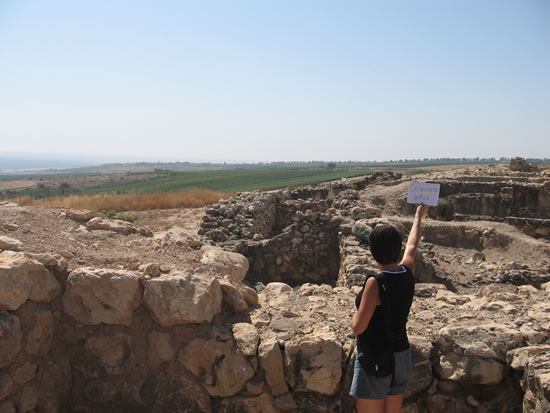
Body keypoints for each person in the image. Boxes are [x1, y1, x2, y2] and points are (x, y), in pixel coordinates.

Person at [350, 204, 429, 413]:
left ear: (373, 251)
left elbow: (359, 326)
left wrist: (353, 316)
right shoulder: (407, 271)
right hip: (402, 355)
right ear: (397, 249)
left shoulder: (376, 283)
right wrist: (418, 215)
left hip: (377, 358)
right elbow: (412, 245)